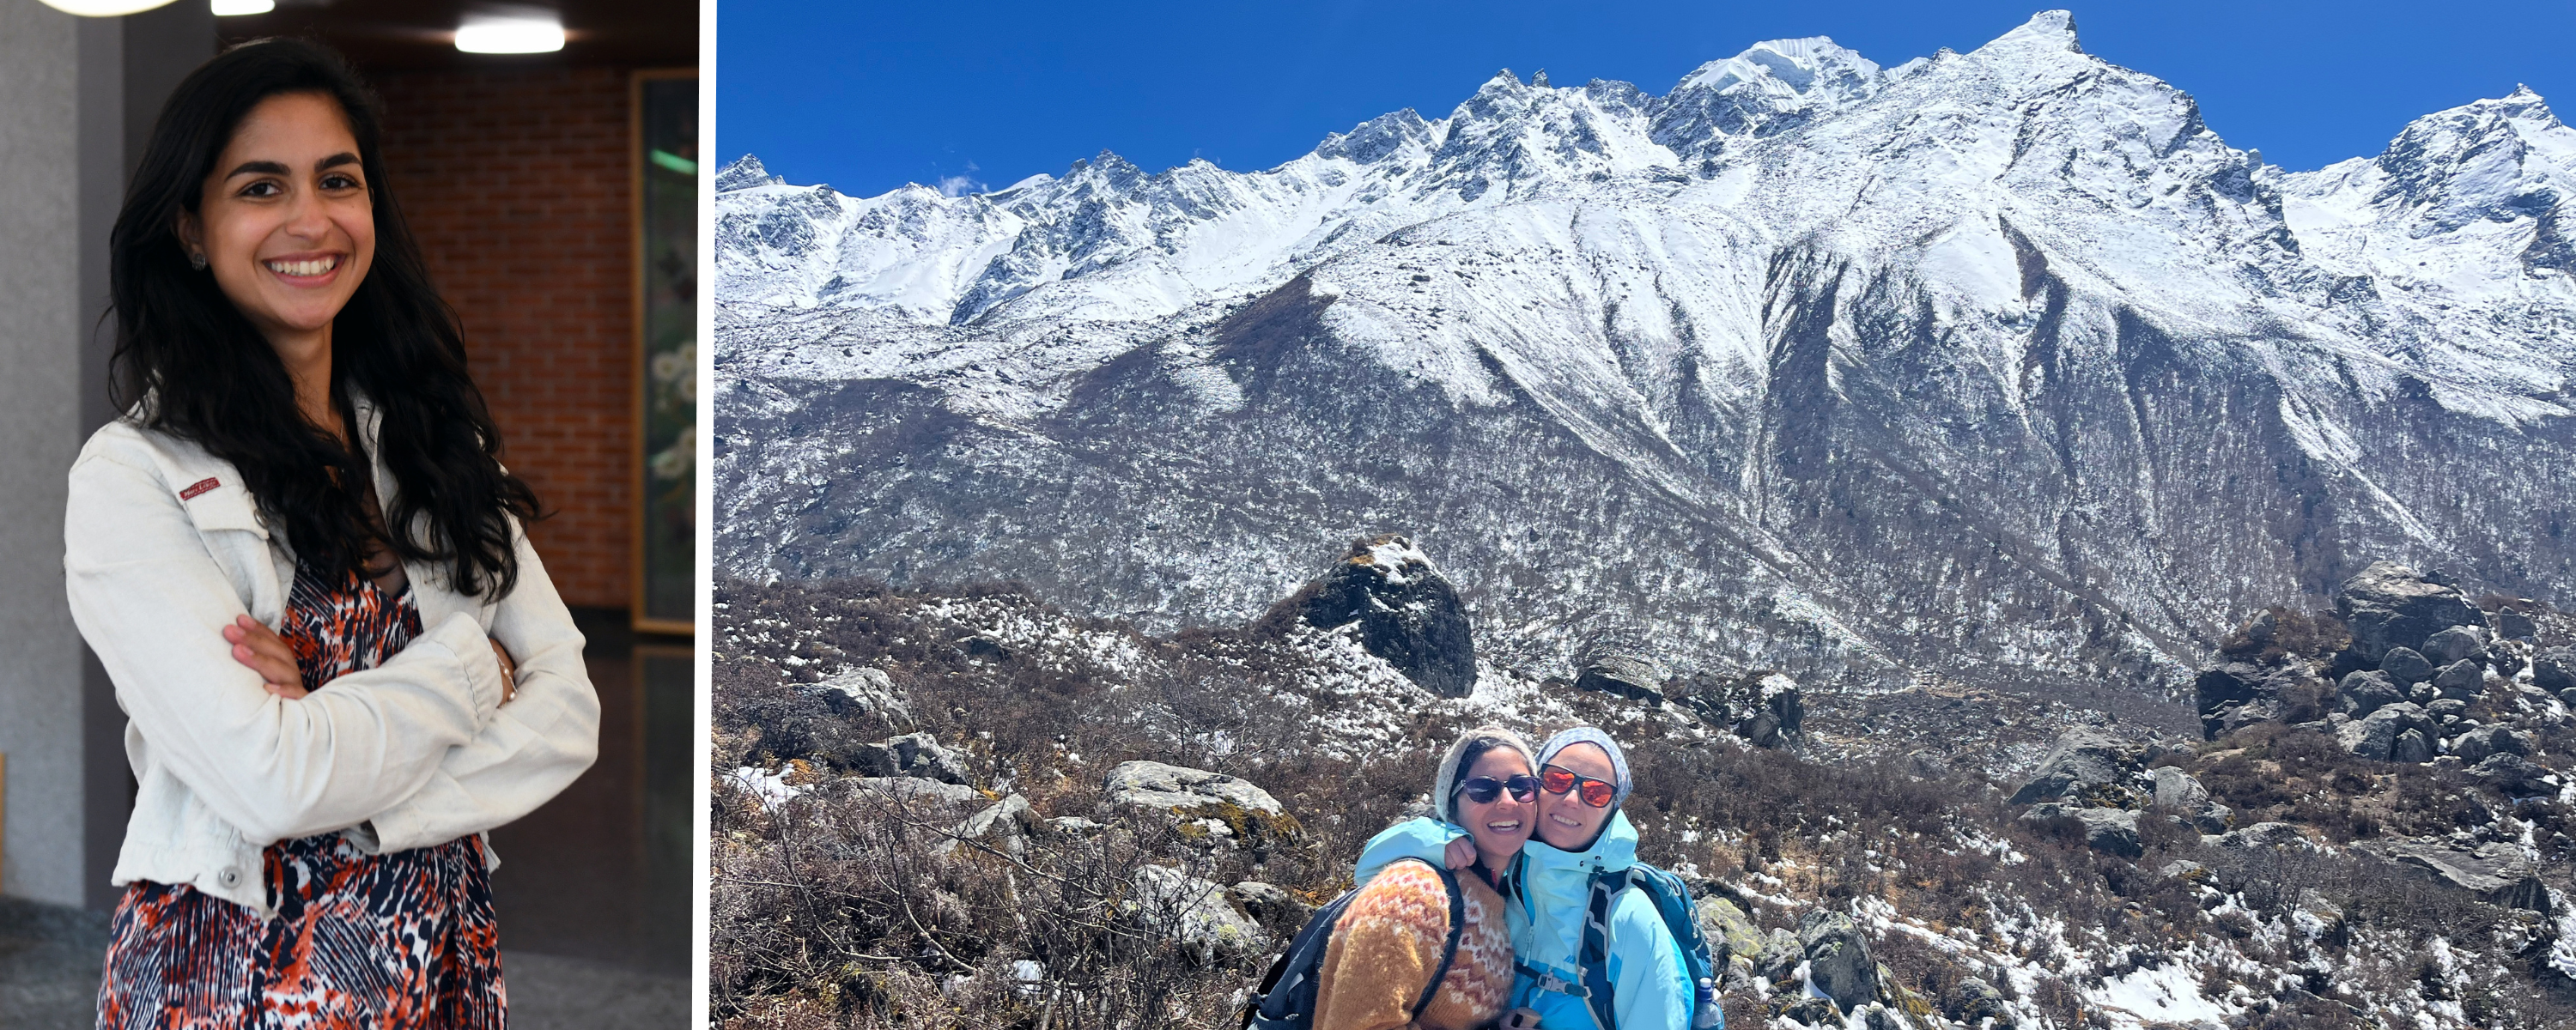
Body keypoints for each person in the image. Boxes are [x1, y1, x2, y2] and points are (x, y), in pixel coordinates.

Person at [66, 38, 599, 1028]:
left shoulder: (432, 443)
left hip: (435, 943)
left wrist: (337, 744)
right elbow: (271, 784)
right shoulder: (133, 478)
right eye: (260, 187)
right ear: (191, 227)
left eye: (337, 180)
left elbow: (569, 716)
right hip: (237, 960)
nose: (310, 221)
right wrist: (476, 672)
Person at [1357, 727, 1692, 1029]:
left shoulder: (1629, 920)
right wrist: (1433, 839)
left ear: (1613, 809)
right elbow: (1369, 875)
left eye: (1596, 792)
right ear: (1536, 787)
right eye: (1558, 780)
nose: (1572, 799)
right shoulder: (1503, 868)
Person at [1311, 726, 1537, 1030]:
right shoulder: (1412, 893)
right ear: (1452, 807)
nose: (1508, 801)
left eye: (1522, 786)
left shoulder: (1503, 903)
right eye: (1483, 788)